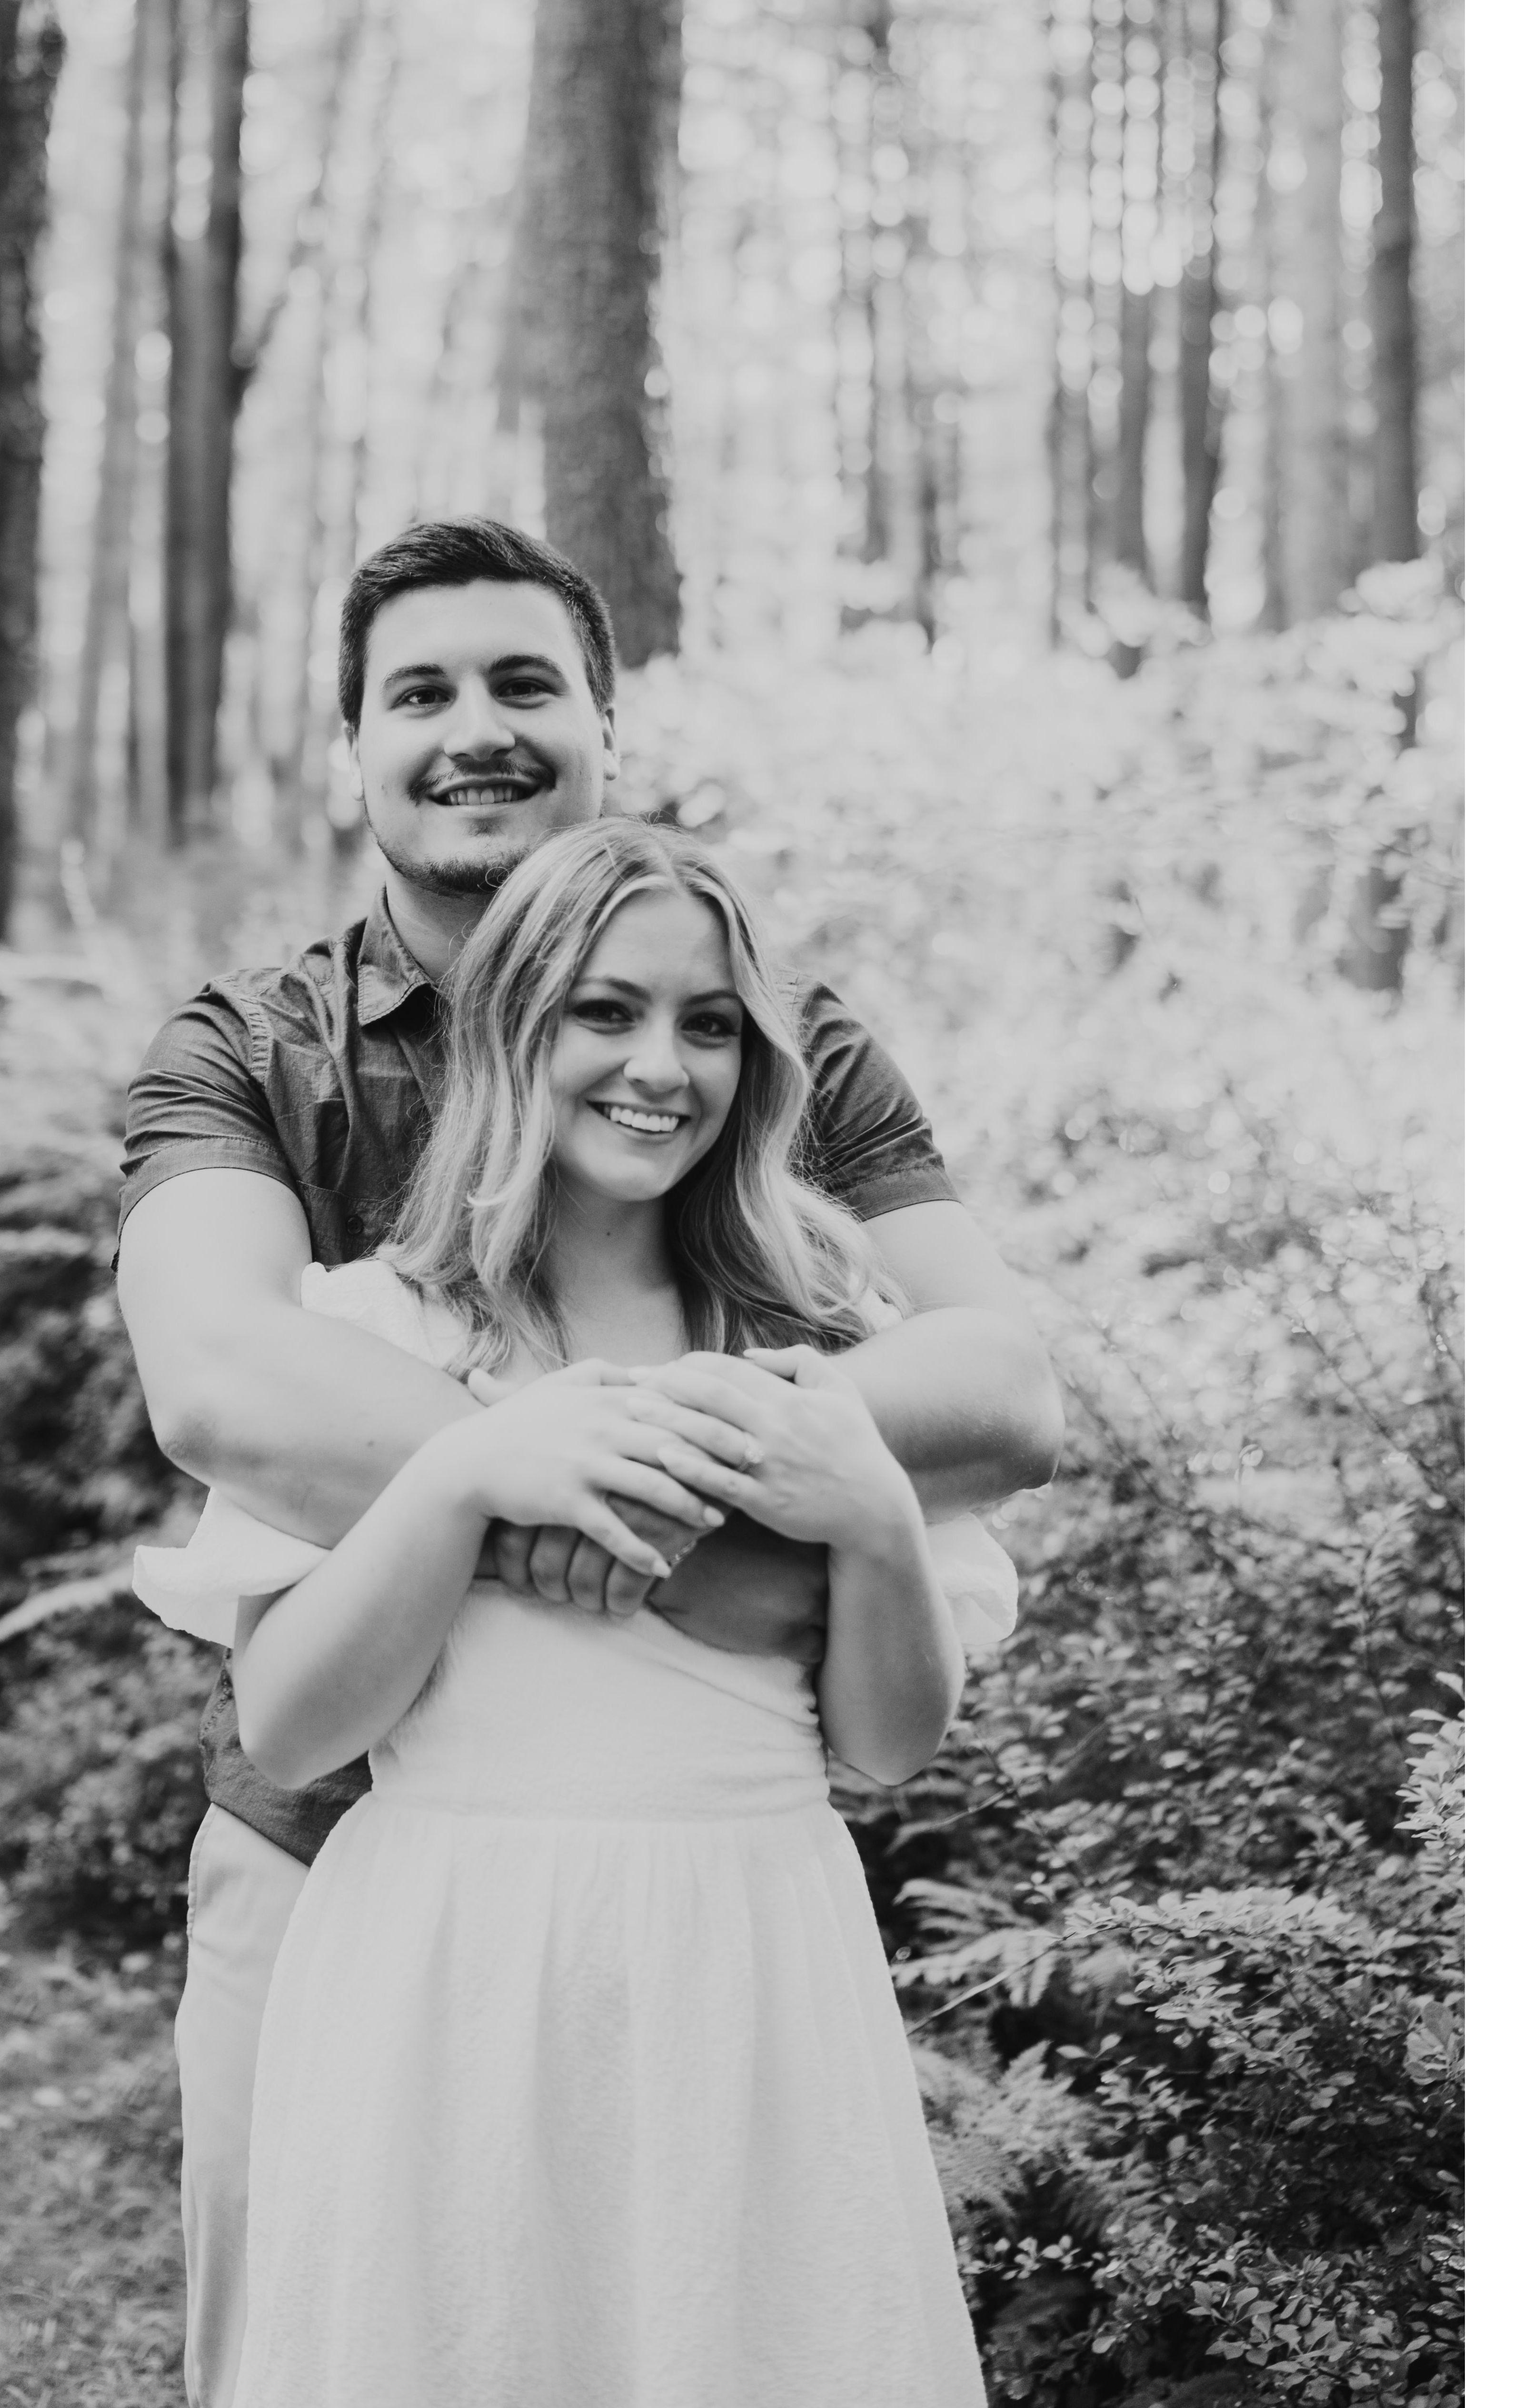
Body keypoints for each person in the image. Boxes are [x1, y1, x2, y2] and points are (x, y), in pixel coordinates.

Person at [112, 516, 1061, 2405]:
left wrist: (734, 1481)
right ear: (353, 748)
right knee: (352, 2340)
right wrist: (547, 1483)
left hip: (719, 1911)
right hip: (339, 1861)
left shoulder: (779, 1033)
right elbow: (223, 1383)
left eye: (526, 683)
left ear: (607, 728)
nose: (477, 728)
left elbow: (1001, 1391)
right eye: (422, 692)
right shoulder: (250, 1051)